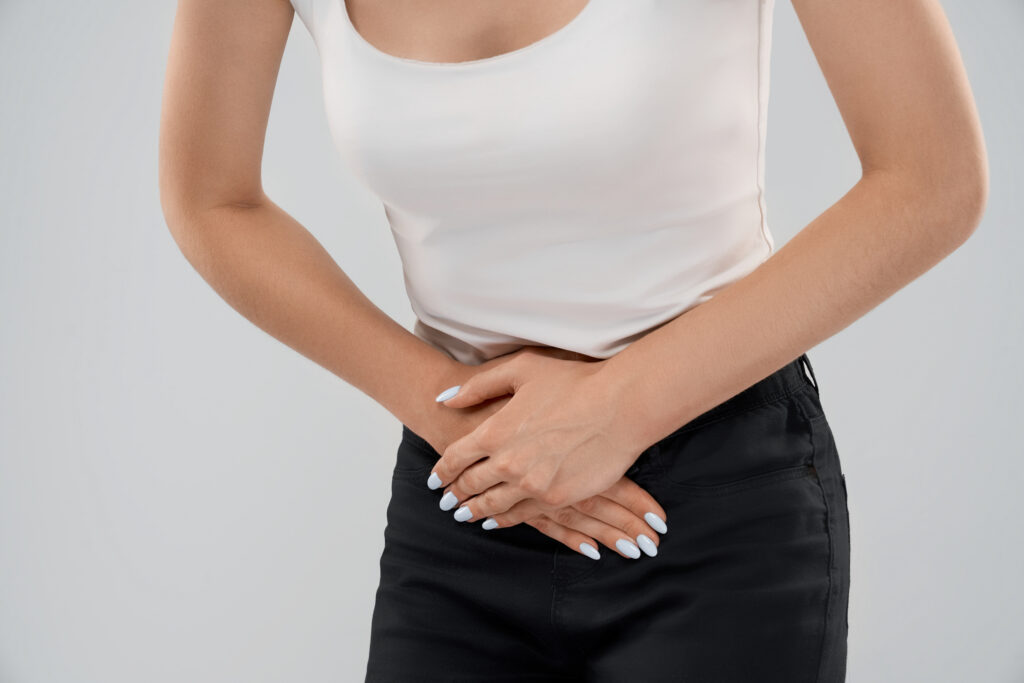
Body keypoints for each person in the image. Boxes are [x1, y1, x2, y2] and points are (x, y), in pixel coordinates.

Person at [158, 0, 988, 680]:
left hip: (713, 498)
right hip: (467, 490)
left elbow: (932, 177)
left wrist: (615, 413)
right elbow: (211, 198)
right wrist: (454, 414)